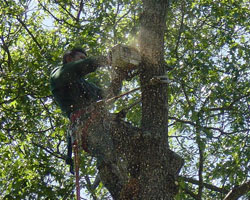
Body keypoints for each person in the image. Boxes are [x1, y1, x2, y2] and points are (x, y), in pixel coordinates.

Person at [50, 48, 125, 198]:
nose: (84, 59)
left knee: (137, 141)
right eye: (81, 57)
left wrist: (119, 76)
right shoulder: (59, 74)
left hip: (102, 123)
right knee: (107, 154)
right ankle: (122, 191)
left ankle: (137, 178)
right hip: (86, 126)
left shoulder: (86, 84)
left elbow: (108, 95)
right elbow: (82, 66)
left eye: (85, 57)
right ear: (69, 58)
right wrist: (107, 59)